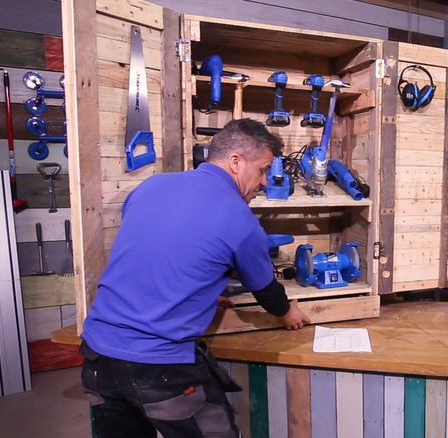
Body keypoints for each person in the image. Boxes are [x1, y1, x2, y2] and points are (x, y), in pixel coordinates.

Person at [79, 118, 311, 438]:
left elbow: (155, 250)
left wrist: (200, 292)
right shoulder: (239, 218)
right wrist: (289, 313)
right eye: (262, 170)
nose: (265, 183)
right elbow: (265, 290)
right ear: (235, 162)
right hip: (160, 368)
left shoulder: (151, 186)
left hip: (97, 358)